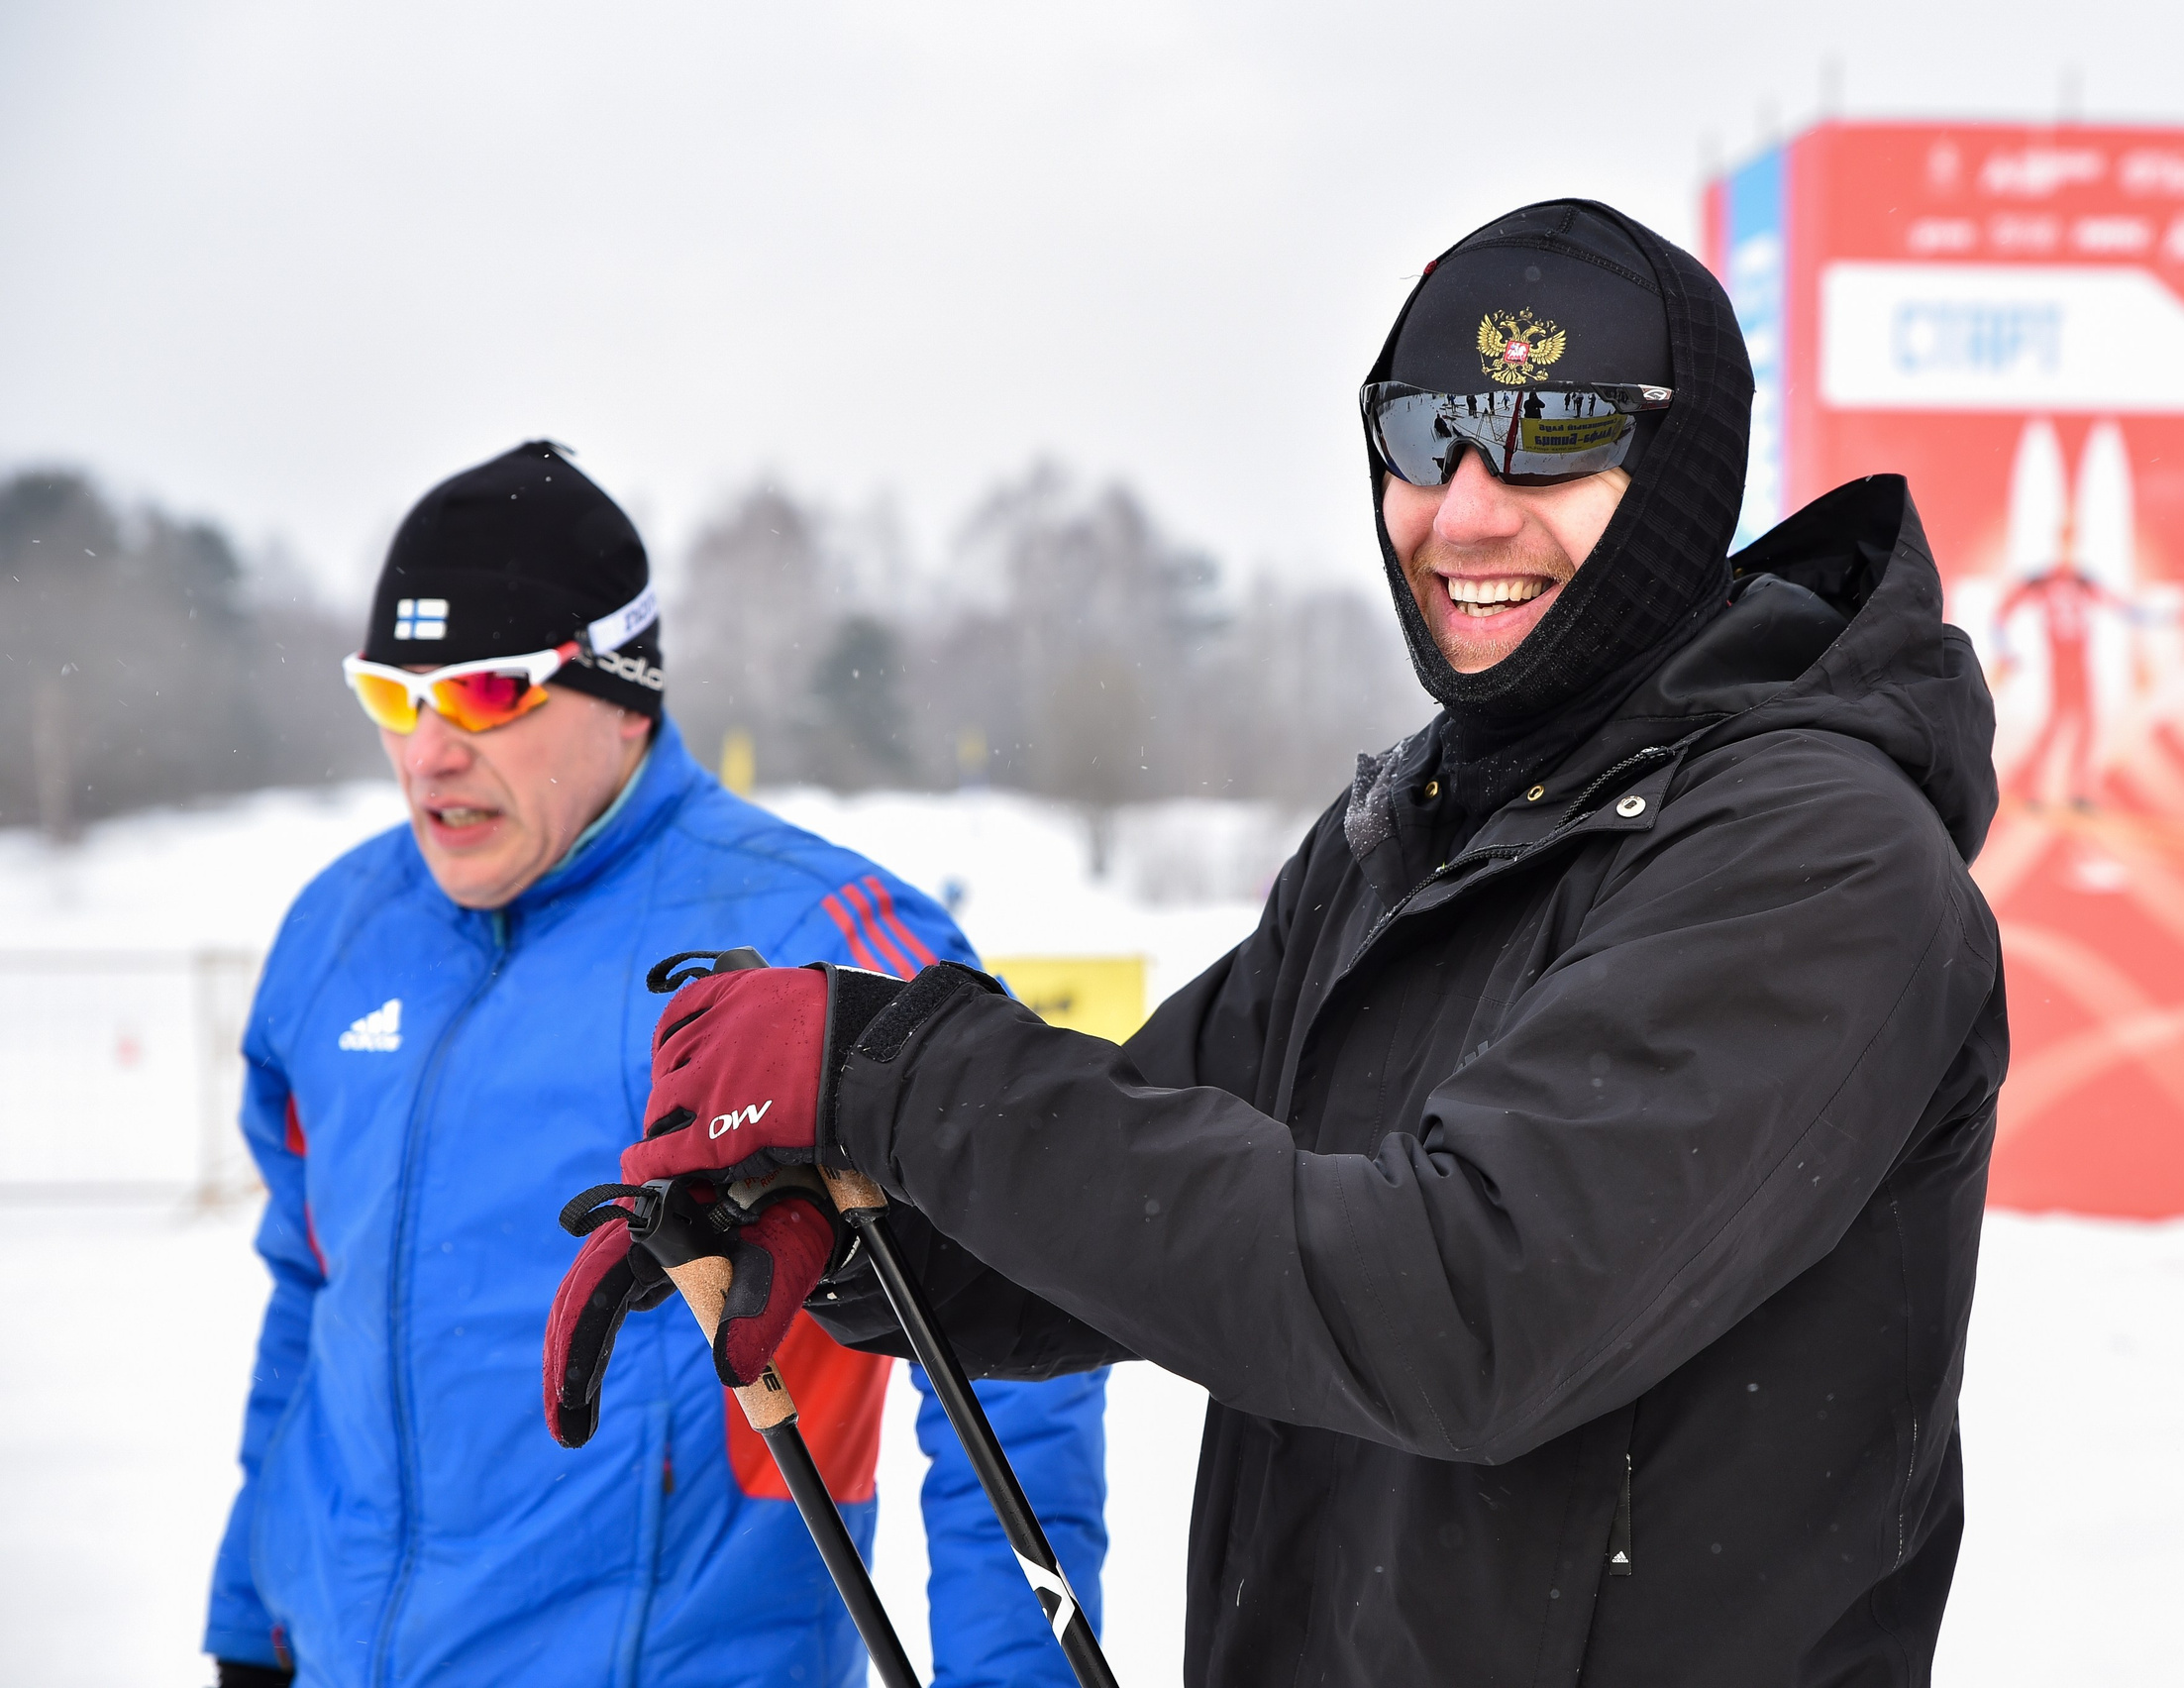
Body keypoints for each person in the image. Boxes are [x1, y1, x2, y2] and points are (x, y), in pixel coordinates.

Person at [584, 201, 2010, 1685]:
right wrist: (848, 1214)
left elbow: (1464, 1307)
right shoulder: (1415, 831)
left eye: (1551, 437)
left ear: (1679, 476)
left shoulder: (1820, 858)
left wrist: (903, 1072)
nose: (1465, 511)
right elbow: (1124, 1214)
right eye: (1424, 436)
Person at [205, 442, 1109, 1688]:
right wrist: (248, 1627)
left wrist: (1013, 1676)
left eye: (484, 695)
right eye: (394, 698)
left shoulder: (813, 941)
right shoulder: (335, 937)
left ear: (624, 694)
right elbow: (311, 1298)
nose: (426, 753)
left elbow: (1016, 1347)